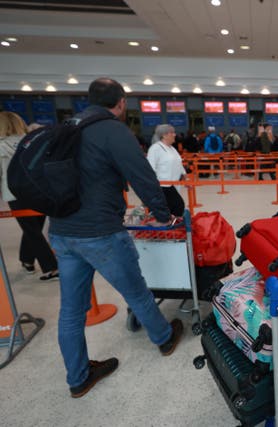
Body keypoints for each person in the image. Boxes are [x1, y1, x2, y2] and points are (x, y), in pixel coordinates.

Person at [48, 78, 184, 399]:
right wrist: (163, 215)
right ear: (121, 103)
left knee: (70, 310)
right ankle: (164, 338)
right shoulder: (111, 130)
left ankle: (78, 378)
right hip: (99, 231)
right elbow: (142, 175)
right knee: (136, 291)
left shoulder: (66, 127)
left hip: (62, 231)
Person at [0, 112, 58, 280]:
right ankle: (27, 260)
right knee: (34, 229)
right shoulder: (32, 141)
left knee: (31, 230)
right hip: (39, 190)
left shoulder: (1, 146)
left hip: (15, 193)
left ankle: (51, 268)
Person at [147, 124, 187, 216]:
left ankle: (171, 226)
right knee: (178, 206)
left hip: (174, 184)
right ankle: (170, 226)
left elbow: (178, 163)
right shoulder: (155, 148)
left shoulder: (172, 148)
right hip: (162, 186)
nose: (175, 135)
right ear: (164, 135)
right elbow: (150, 168)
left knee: (173, 208)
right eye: (172, 133)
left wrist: (184, 176)